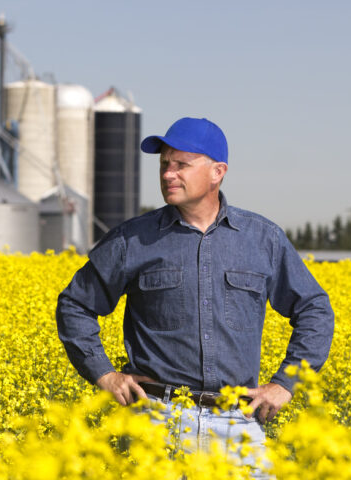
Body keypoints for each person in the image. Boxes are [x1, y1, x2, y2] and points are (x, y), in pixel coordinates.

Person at [56, 117, 334, 474]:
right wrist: (105, 375)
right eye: (164, 165)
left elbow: (314, 309)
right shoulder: (132, 239)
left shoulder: (262, 239)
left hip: (237, 424)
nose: (168, 174)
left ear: (218, 172)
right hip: (157, 422)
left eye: (181, 165)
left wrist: (285, 383)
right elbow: (75, 304)